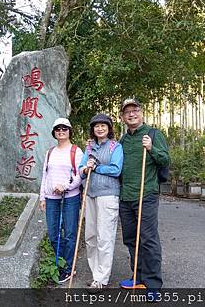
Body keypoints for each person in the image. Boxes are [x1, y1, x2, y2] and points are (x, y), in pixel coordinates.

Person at [117, 98, 170, 297]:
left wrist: (151, 148)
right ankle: (138, 277)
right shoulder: (123, 140)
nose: (131, 114)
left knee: (148, 238)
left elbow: (165, 159)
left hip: (146, 193)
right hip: (126, 195)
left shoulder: (153, 134)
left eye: (135, 110)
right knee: (131, 238)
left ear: (141, 113)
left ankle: (153, 284)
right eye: (127, 112)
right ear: (122, 117)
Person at [78, 113, 123, 292]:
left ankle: (101, 279)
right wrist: (85, 168)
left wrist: (96, 167)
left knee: (104, 236)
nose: (100, 128)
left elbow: (116, 169)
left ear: (109, 128)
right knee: (90, 236)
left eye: (103, 125)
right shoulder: (89, 147)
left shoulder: (115, 146)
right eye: (96, 126)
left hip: (108, 195)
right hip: (90, 194)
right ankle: (96, 273)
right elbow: (81, 170)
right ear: (93, 129)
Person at [39, 117, 84, 284]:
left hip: (70, 198)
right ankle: (62, 261)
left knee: (70, 234)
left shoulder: (76, 151)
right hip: (52, 198)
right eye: (58, 128)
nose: (61, 131)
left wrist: (65, 186)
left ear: (69, 130)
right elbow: (45, 175)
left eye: (64, 128)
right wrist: (42, 197)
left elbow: (79, 175)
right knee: (53, 234)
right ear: (54, 132)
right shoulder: (50, 152)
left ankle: (68, 267)